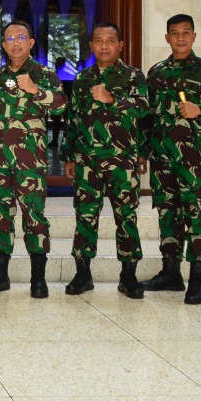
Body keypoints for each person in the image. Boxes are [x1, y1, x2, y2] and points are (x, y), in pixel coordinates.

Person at [142, 13, 201, 305]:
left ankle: (197, 280)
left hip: (192, 159)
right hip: (161, 158)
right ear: (167, 37)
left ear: (194, 36)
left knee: (195, 215)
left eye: (186, 32)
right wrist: (143, 153)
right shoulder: (155, 72)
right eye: (174, 33)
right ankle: (171, 274)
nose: (180, 38)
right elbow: (148, 117)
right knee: (167, 213)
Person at [0, 19, 66, 298]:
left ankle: (37, 279)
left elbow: (62, 105)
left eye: (21, 37)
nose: (15, 42)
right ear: (3, 45)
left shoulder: (43, 73)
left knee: (34, 217)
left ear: (31, 42)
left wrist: (35, 91)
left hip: (30, 161)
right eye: (10, 38)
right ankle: (0, 276)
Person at [61, 21, 149, 300]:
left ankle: (129, 275)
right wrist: (69, 155)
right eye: (98, 40)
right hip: (87, 162)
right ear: (91, 45)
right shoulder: (82, 78)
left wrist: (113, 100)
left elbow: (145, 110)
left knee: (126, 217)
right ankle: (83, 273)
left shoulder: (134, 76)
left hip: (122, 162)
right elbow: (73, 118)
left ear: (120, 45)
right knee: (85, 217)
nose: (104, 46)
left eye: (110, 40)